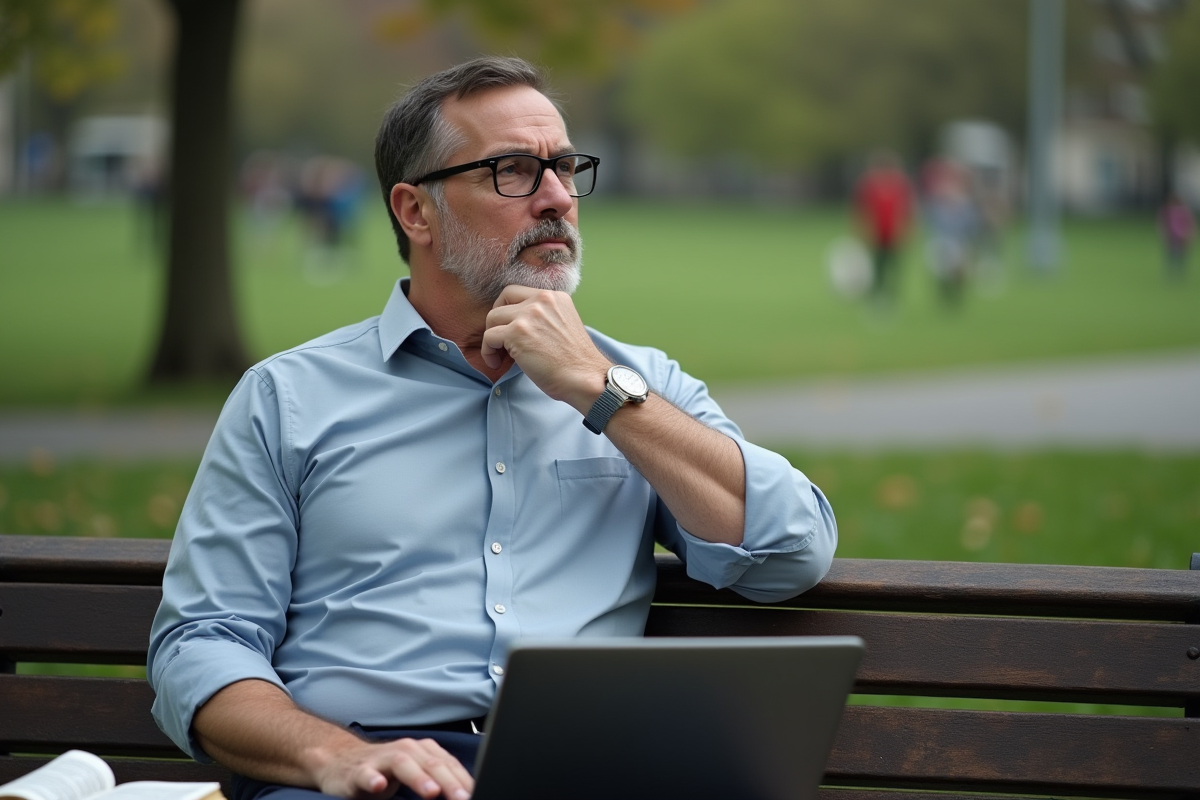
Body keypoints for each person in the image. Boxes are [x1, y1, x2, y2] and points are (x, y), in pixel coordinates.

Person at [148, 56, 837, 800]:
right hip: (360, 780)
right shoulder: (286, 399)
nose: (556, 199)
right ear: (416, 212)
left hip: (580, 772)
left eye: (565, 167)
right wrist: (331, 757)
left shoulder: (637, 385)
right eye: (512, 170)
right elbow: (203, 643)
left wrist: (595, 389)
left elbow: (791, 551)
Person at [853, 150, 914, 302]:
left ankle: (891, 297)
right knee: (875, 267)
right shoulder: (869, 185)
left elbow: (906, 210)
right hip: (875, 234)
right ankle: (875, 296)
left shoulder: (900, 184)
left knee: (894, 267)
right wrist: (864, 231)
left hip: (894, 234)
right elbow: (861, 210)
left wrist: (906, 231)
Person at [1160, 192, 1195, 280]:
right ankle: (1176, 273)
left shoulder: (1170, 210)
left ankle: (1174, 273)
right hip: (1178, 236)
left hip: (1175, 236)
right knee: (1176, 256)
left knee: (1174, 256)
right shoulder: (1181, 210)